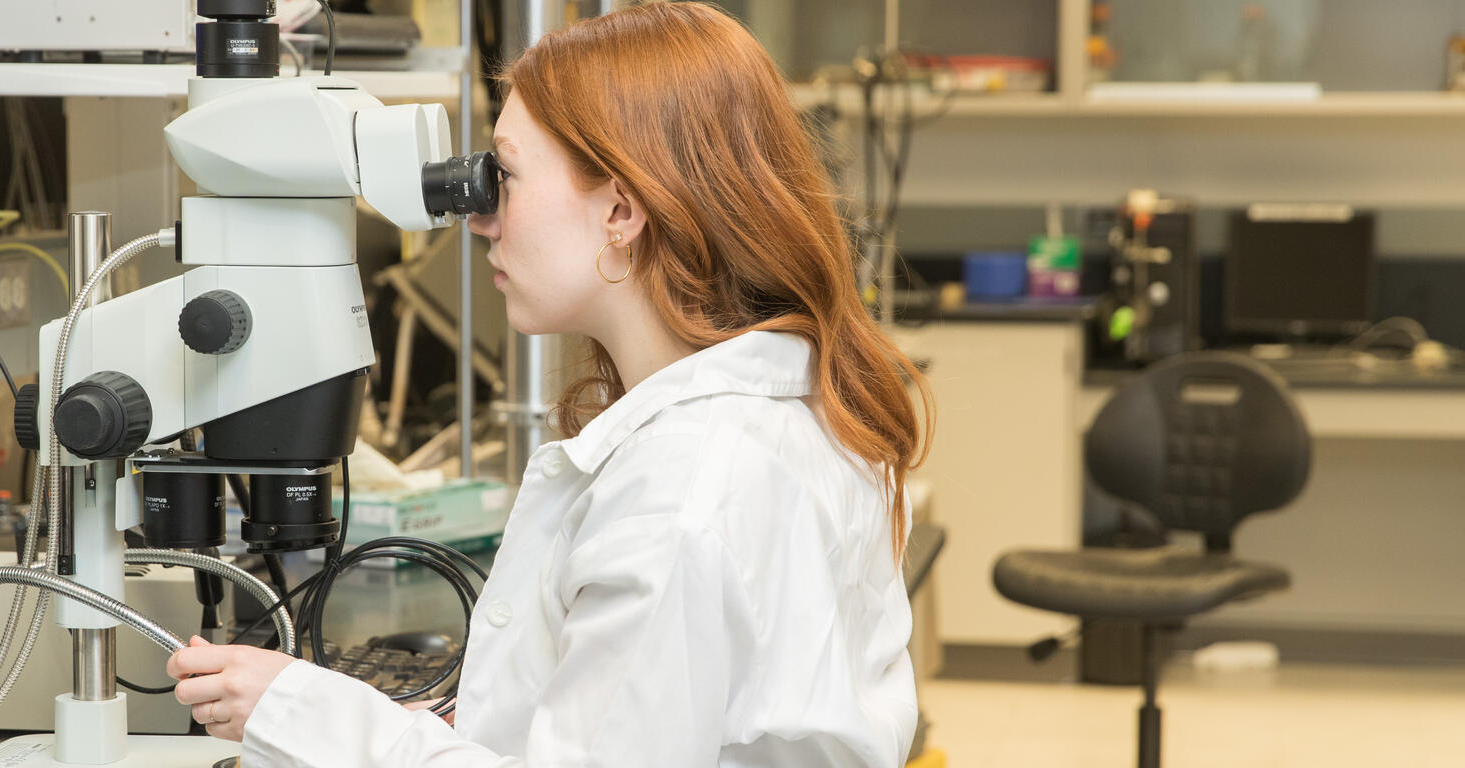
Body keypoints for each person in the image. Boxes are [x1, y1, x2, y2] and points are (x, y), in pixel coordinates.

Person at [164, 3, 930, 766]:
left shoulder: (683, 490)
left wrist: (303, 711)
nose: (480, 217)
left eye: (507, 174)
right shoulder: (783, 411)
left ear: (621, 211)